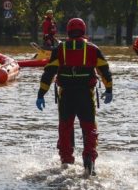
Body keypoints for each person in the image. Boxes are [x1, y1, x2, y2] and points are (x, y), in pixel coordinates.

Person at [35, 18, 113, 177]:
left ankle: (66, 163)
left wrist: (41, 94)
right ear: (84, 30)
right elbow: (105, 71)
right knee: (89, 129)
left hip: (66, 97)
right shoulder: (93, 49)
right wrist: (109, 89)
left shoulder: (59, 49)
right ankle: (89, 162)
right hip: (86, 96)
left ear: (68, 31)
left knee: (65, 129)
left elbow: (49, 73)